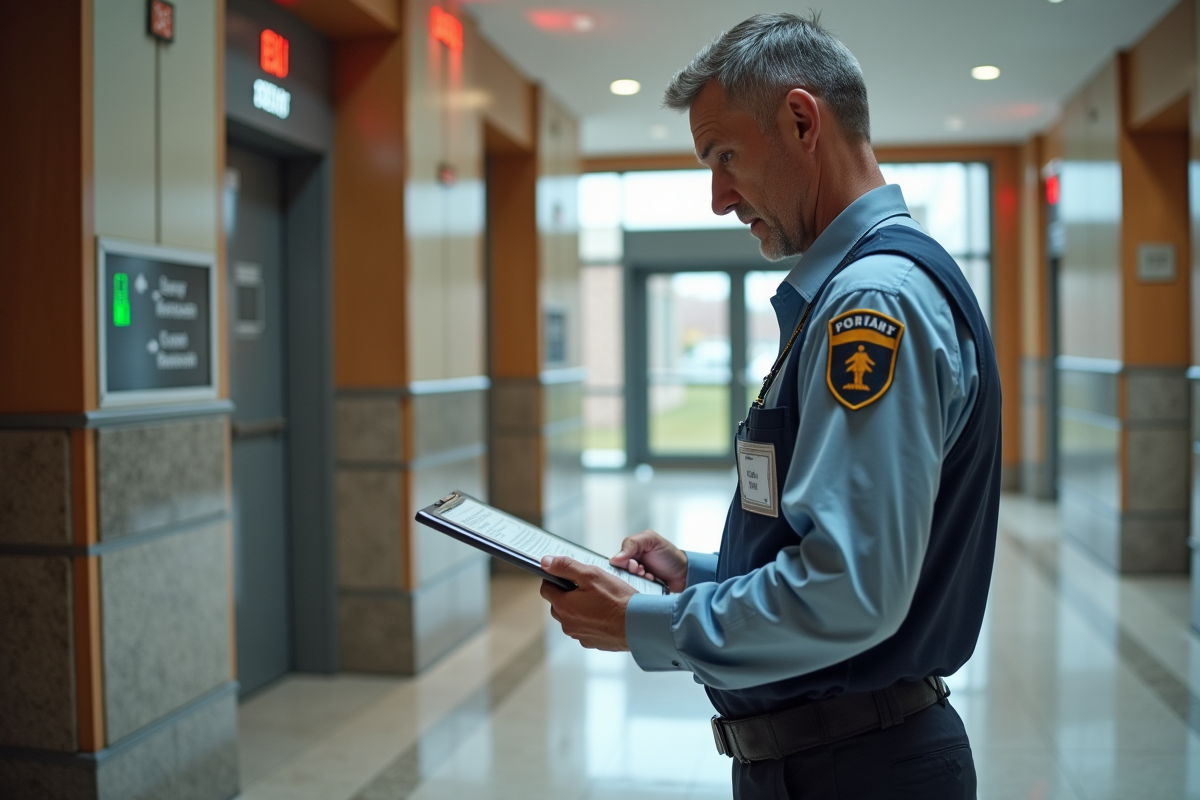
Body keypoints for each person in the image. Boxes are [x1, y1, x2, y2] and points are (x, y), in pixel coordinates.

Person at [539, 12, 1000, 800]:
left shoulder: (872, 304)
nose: (719, 197)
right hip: (838, 756)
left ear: (800, 120)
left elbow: (850, 589)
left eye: (724, 156)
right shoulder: (856, 292)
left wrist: (645, 624)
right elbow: (849, 549)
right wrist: (699, 578)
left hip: (857, 769)